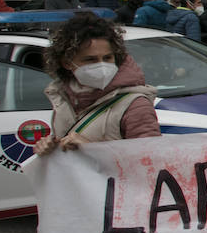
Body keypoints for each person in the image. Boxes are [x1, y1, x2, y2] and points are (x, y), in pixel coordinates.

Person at [33, 12, 161, 155]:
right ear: (67, 63)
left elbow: (150, 160)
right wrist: (48, 148)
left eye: (107, 58)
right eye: (90, 60)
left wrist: (93, 149)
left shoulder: (135, 105)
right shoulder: (64, 97)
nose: (102, 66)